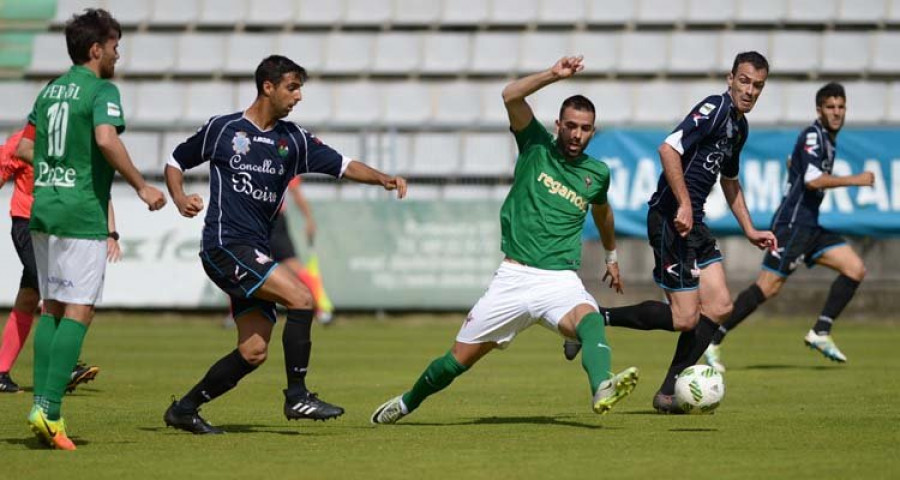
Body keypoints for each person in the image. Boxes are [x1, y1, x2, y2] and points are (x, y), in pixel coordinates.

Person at [370, 56, 639, 426]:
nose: (577, 134)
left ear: (594, 131)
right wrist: (552, 74)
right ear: (558, 125)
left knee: (590, 317)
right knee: (455, 363)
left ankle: (601, 386)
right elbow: (510, 96)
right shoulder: (535, 145)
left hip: (559, 279)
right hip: (513, 278)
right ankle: (406, 402)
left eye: (586, 129)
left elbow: (602, 212)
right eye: (572, 126)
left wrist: (611, 255)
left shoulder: (596, 173)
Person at [163, 55, 407, 435]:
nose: (299, 97)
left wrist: (384, 179)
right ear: (268, 86)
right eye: (293, 87)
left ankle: (185, 409)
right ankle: (297, 396)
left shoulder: (293, 140)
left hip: (255, 250)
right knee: (302, 298)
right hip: (225, 245)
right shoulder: (223, 130)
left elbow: (344, 164)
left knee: (253, 352)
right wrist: (179, 197)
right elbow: (176, 160)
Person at [564, 52, 777, 414]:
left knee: (721, 306)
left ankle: (668, 393)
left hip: (692, 221)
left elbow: (730, 180)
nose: (750, 91)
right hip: (669, 218)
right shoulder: (714, 109)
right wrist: (683, 203)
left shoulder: (739, 127)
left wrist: (750, 229)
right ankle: (595, 318)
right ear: (730, 79)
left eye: (757, 85)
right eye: (744, 81)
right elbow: (668, 149)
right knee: (684, 317)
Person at [22, 8, 167, 450]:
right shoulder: (101, 89)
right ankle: (49, 411)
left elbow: (27, 146)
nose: (118, 54)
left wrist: (57, 168)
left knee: (51, 307)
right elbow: (106, 138)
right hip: (80, 212)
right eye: (115, 46)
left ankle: (41, 406)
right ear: (95, 49)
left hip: (45, 205)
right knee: (80, 309)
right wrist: (141, 186)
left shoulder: (49, 92)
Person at [703, 82, 873, 372]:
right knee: (766, 288)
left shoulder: (826, 139)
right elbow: (812, 179)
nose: (836, 112)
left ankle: (821, 330)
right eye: (830, 107)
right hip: (792, 226)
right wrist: (855, 179)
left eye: (840, 107)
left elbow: (802, 170)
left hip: (811, 227)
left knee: (855, 268)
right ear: (819, 110)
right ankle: (711, 339)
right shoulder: (813, 135)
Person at [0, 128, 108, 395]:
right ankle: (64, 366)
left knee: (29, 295)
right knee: (57, 293)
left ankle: (1, 372)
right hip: (28, 224)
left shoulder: (73, 141)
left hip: (59, 227)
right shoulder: (22, 141)